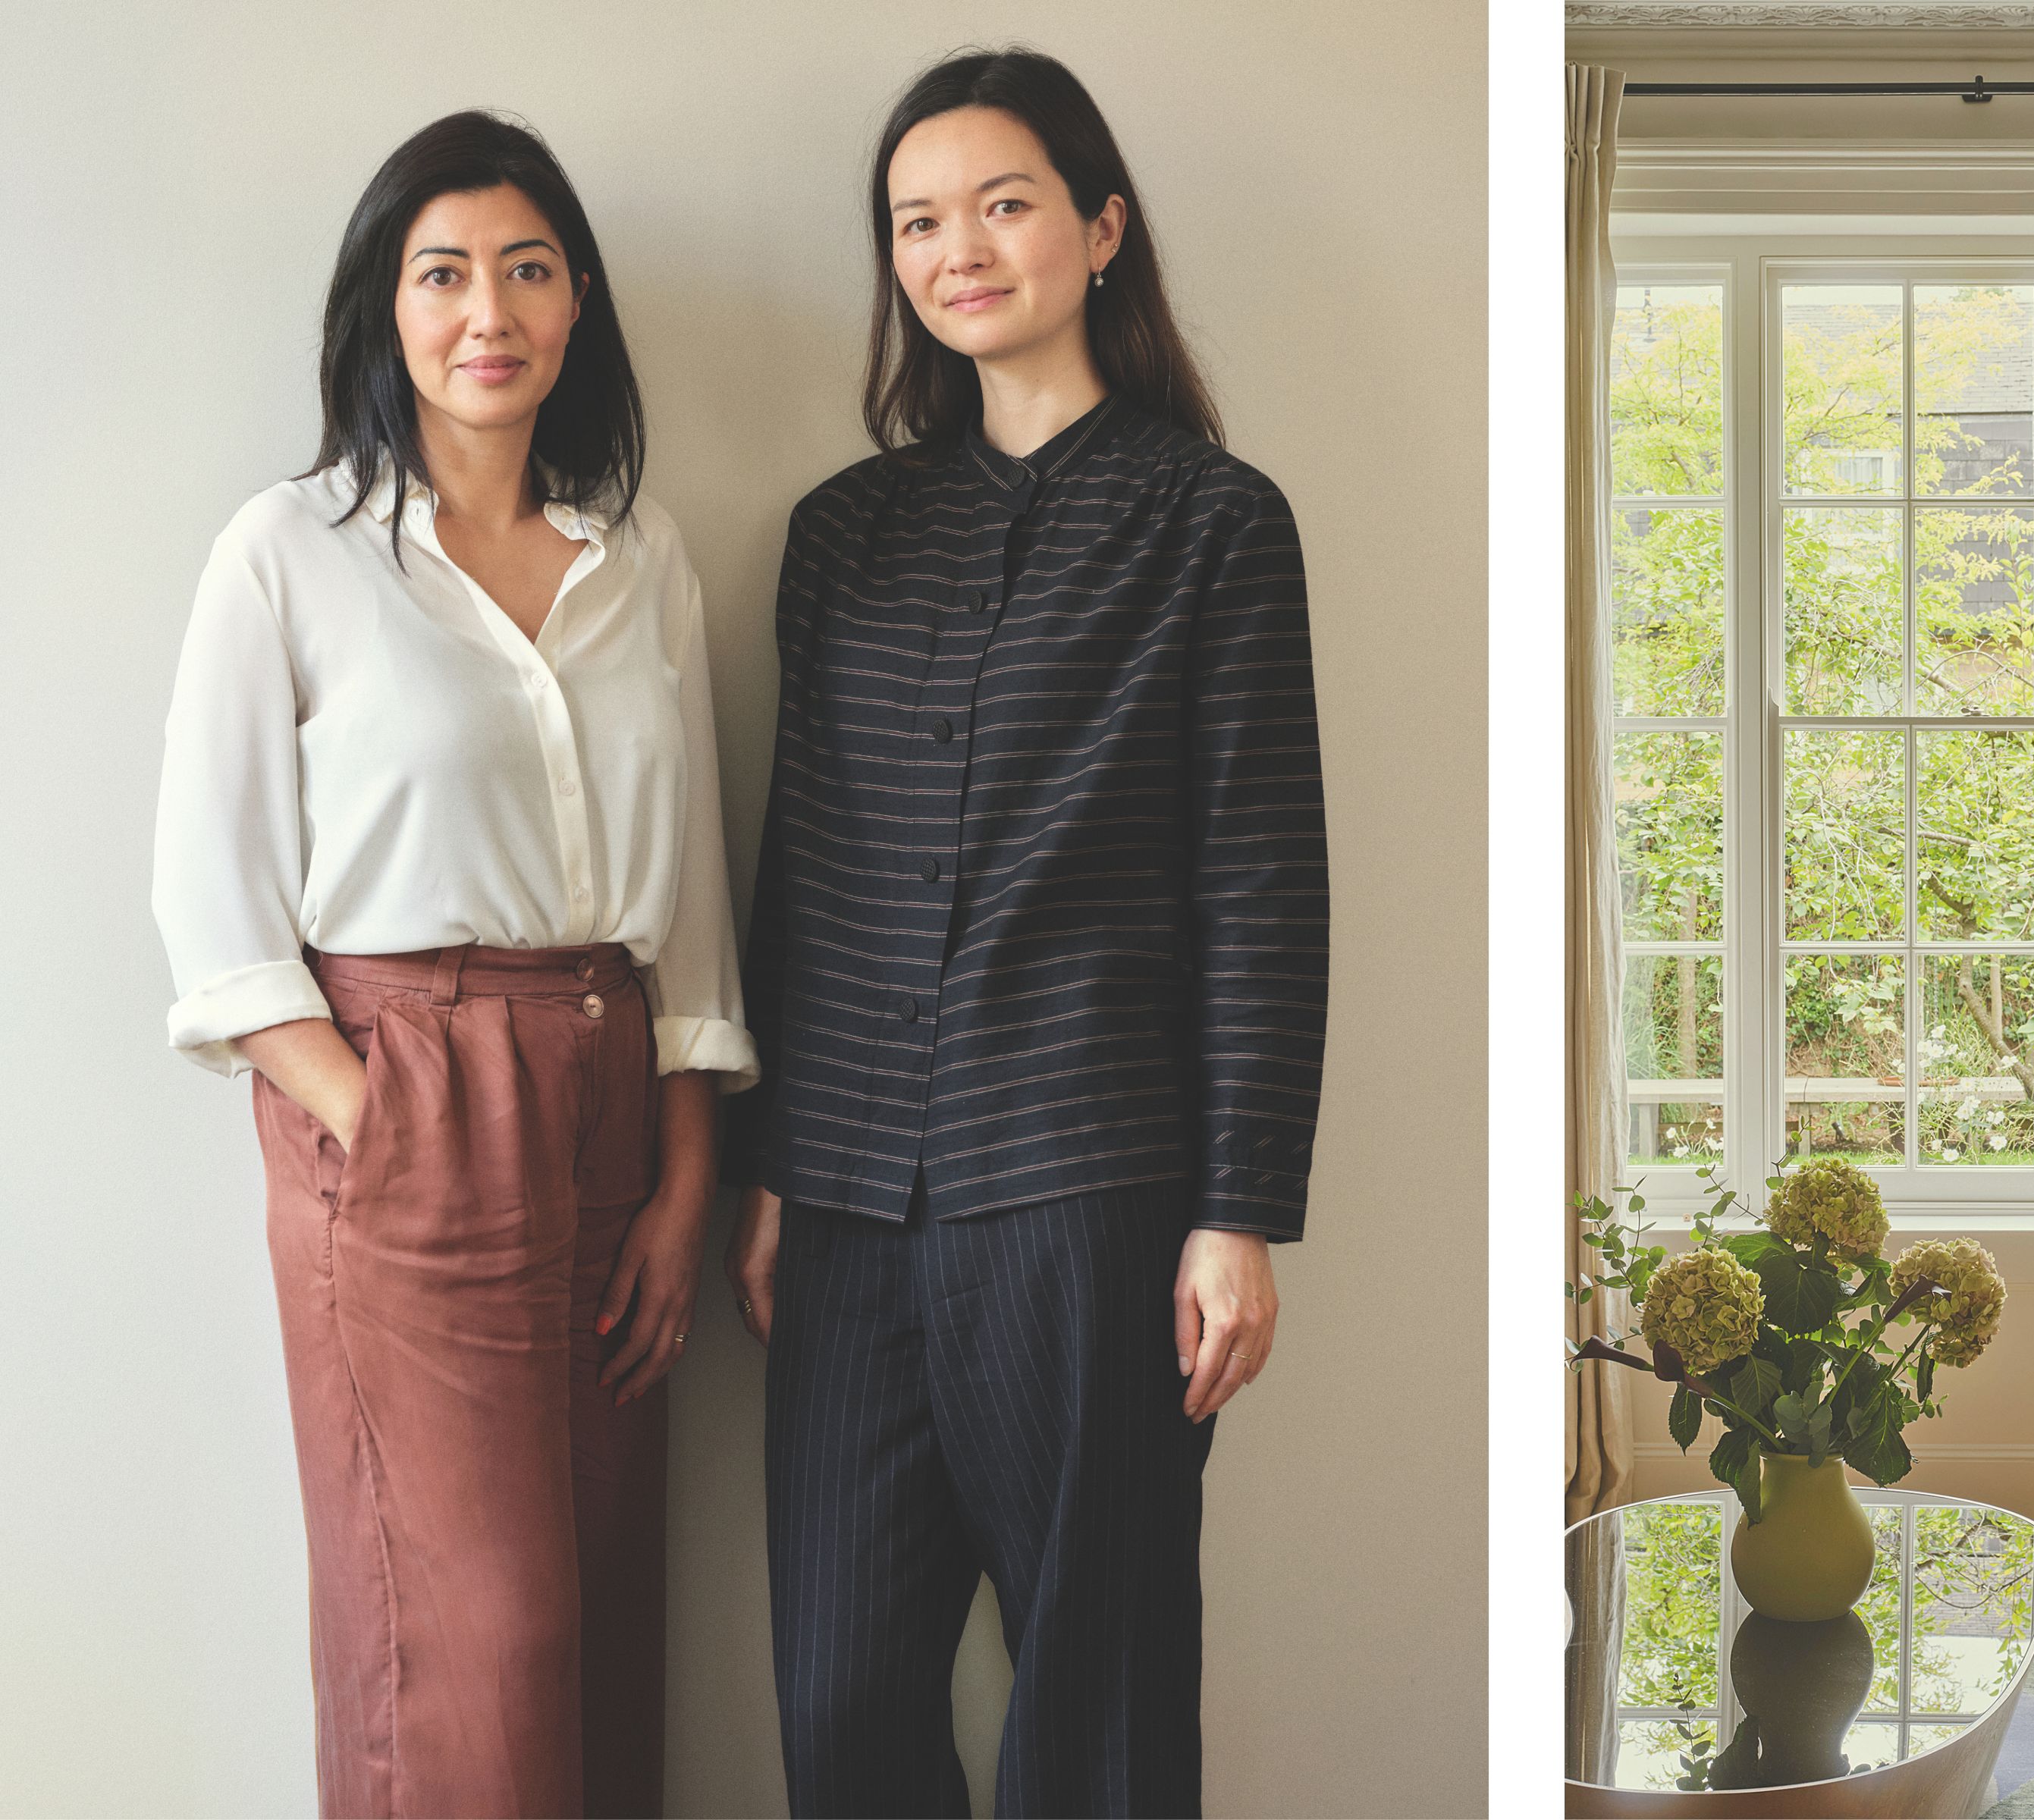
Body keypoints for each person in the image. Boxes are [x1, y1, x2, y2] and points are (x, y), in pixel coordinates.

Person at [720, 46, 1327, 1820]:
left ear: (1100, 228)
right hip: (846, 1210)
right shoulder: (842, 535)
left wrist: (1237, 1210)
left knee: (1097, 1707)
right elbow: (804, 867)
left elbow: (1259, 881)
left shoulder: (1213, 522)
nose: (957, 250)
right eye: (917, 222)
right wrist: (774, 1167)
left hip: (1089, 1196)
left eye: (1000, 205)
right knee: (838, 1702)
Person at [150, 111, 754, 1818]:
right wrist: (381, 1117)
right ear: (386, 308)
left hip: (616, 1094)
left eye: (528, 269)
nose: (489, 311)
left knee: (601, 1623)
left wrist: (687, 1175)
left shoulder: (641, 558)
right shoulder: (290, 552)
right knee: (476, 1644)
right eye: (443, 274)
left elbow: (690, 895)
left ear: (576, 307)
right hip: (408, 1087)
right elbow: (213, 907)